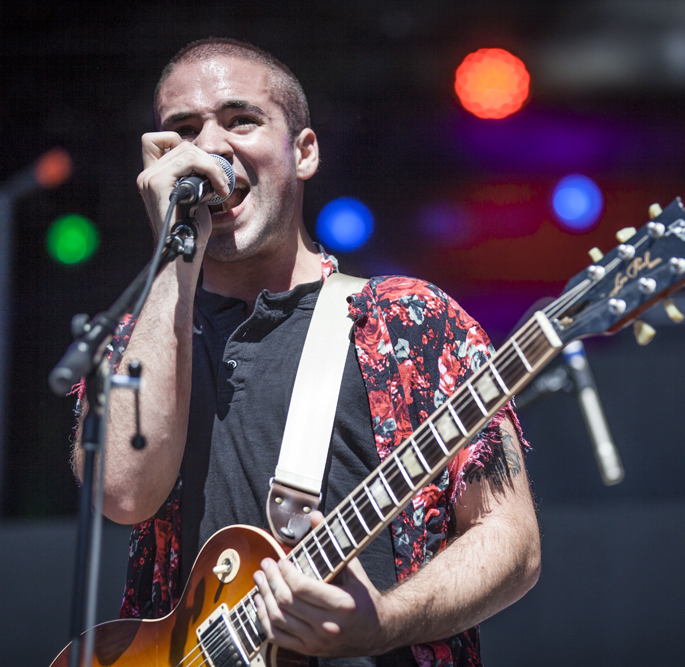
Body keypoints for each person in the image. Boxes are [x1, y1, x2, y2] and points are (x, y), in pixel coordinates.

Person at [74, 38, 540, 667]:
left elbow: (509, 538)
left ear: (304, 152)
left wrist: (384, 623)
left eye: (241, 120)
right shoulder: (136, 340)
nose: (210, 149)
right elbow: (123, 493)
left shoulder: (409, 320)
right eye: (184, 132)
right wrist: (172, 257)